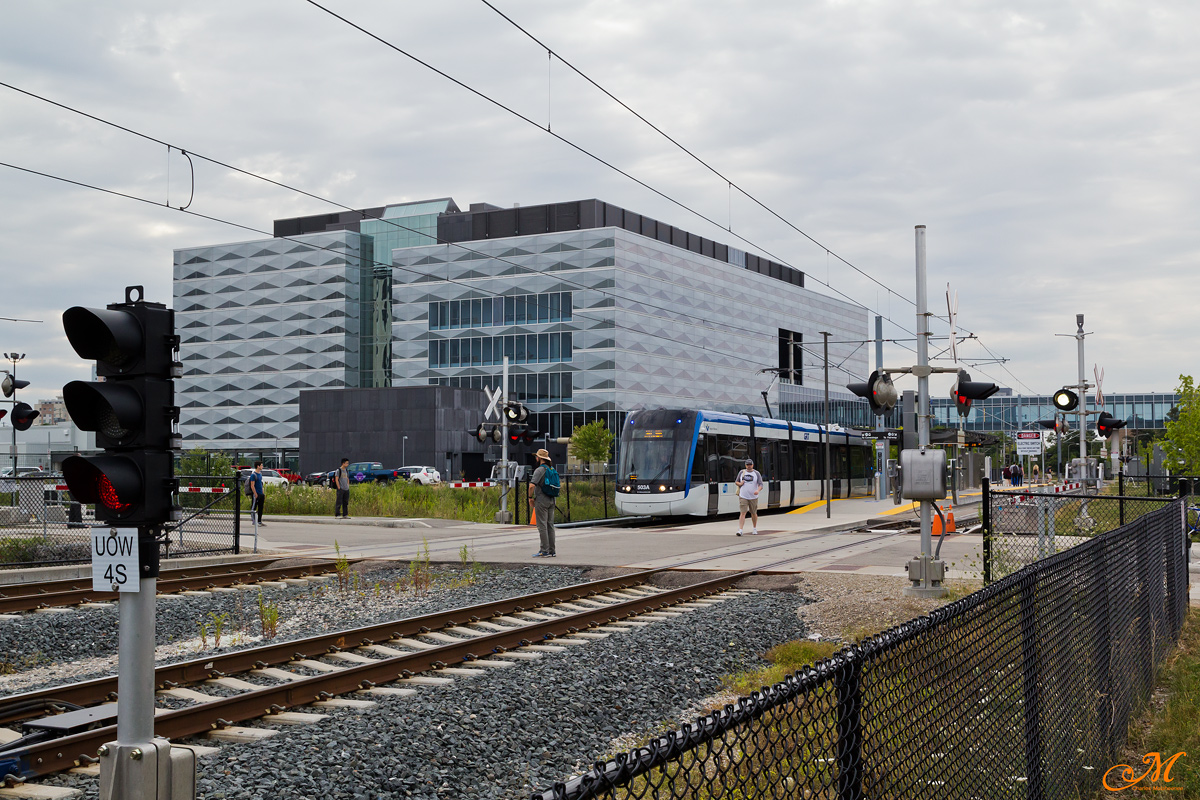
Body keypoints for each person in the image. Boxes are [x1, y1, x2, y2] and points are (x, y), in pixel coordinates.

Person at [528, 448, 557, 558]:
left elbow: (532, 485)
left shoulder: (539, 470)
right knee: (550, 525)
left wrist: (530, 497)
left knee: (542, 526)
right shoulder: (551, 469)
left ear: (539, 458)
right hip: (552, 500)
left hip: (542, 500)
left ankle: (544, 550)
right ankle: (552, 550)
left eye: (537, 456)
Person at [735, 458, 764, 536]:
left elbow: (761, 484)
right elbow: (736, 482)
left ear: (753, 465)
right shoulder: (742, 472)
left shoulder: (756, 473)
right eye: (747, 465)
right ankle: (740, 530)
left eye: (750, 465)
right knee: (742, 512)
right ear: (745, 465)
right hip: (743, 496)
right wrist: (740, 484)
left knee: (753, 513)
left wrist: (758, 490)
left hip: (753, 497)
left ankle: (754, 528)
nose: (749, 466)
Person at [249, 462, 266, 526]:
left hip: (261, 493)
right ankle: (254, 521)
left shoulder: (260, 474)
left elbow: (260, 484)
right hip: (256, 494)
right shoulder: (253, 475)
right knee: (254, 508)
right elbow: (252, 485)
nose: (262, 466)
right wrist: (255, 493)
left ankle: (259, 521)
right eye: (261, 465)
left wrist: (262, 492)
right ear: (258, 466)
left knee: (260, 508)